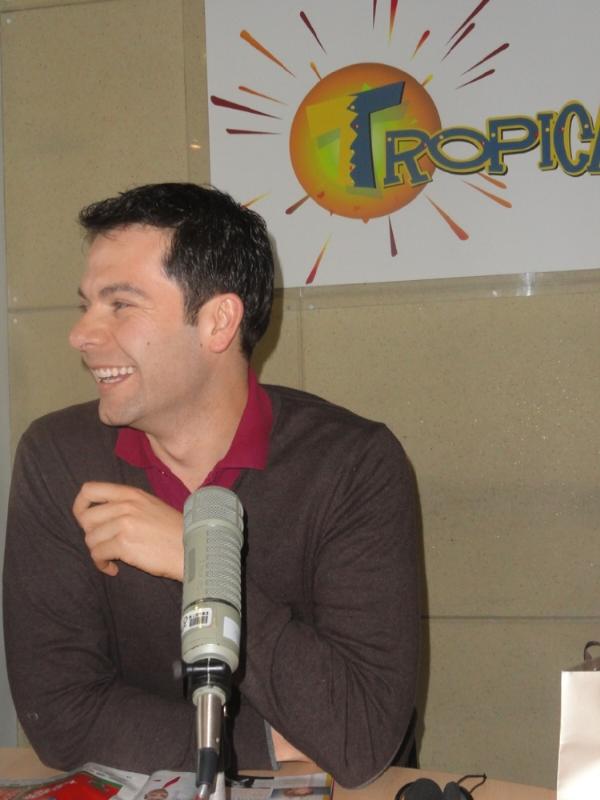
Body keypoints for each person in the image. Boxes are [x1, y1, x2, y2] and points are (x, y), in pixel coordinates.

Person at [3, 183, 420, 789]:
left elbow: (359, 733)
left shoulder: (351, 464)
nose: (82, 334)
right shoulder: (59, 457)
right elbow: (59, 716)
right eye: (87, 305)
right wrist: (267, 743)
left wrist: (193, 562)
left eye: (120, 305)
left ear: (218, 322)